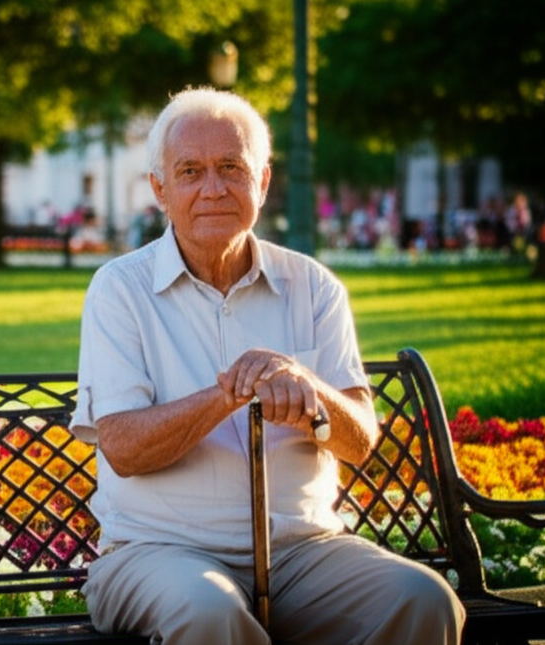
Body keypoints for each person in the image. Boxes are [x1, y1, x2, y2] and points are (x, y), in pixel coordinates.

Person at [70, 87, 464, 645]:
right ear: (159, 189)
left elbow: (359, 442)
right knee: (210, 612)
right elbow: (123, 448)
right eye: (190, 171)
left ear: (263, 181)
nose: (213, 188)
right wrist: (228, 394)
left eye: (231, 167)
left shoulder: (313, 286)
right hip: (158, 553)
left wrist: (308, 391)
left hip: (304, 552)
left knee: (425, 602)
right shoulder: (119, 290)